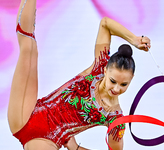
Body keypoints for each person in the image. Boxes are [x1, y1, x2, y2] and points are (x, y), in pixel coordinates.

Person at [7, 0, 151, 150]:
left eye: (123, 84)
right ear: (105, 70)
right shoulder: (98, 67)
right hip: (26, 114)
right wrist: (134, 40)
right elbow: (105, 23)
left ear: (131, 80)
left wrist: (76, 148)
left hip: (47, 142)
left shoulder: (115, 118)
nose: (116, 88)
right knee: (29, 47)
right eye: (113, 81)